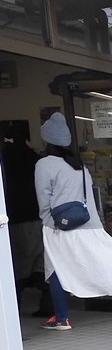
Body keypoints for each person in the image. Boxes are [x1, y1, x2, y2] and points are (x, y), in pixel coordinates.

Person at [34, 112, 112, 332]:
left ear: (47, 140)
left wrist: (49, 223)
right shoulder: (79, 166)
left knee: (55, 269)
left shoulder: (44, 164)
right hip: (90, 225)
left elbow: (43, 200)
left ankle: (62, 319)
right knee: (105, 265)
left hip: (60, 227)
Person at [1, 123, 52, 316]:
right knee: (41, 263)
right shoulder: (36, 160)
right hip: (40, 216)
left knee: (19, 265)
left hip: (15, 219)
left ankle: (12, 309)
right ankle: (48, 305)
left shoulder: (4, 160)